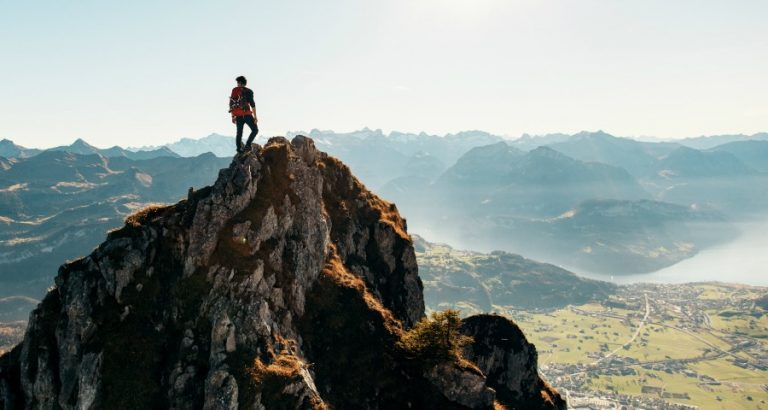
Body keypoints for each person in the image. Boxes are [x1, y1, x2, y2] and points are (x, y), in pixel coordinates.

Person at [229, 76, 258, 152]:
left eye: (237, 82)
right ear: (245, 83)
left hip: (238, 116)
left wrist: (232, 116)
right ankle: (248, 145)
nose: (237, 84)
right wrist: (255, 117)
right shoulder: (249, 91)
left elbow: (231, 104)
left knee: (239, 133)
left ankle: (239, 149)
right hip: (247, 114)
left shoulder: (234, 90)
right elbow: (252, 104)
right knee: (255, 130)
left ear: (239, 83)